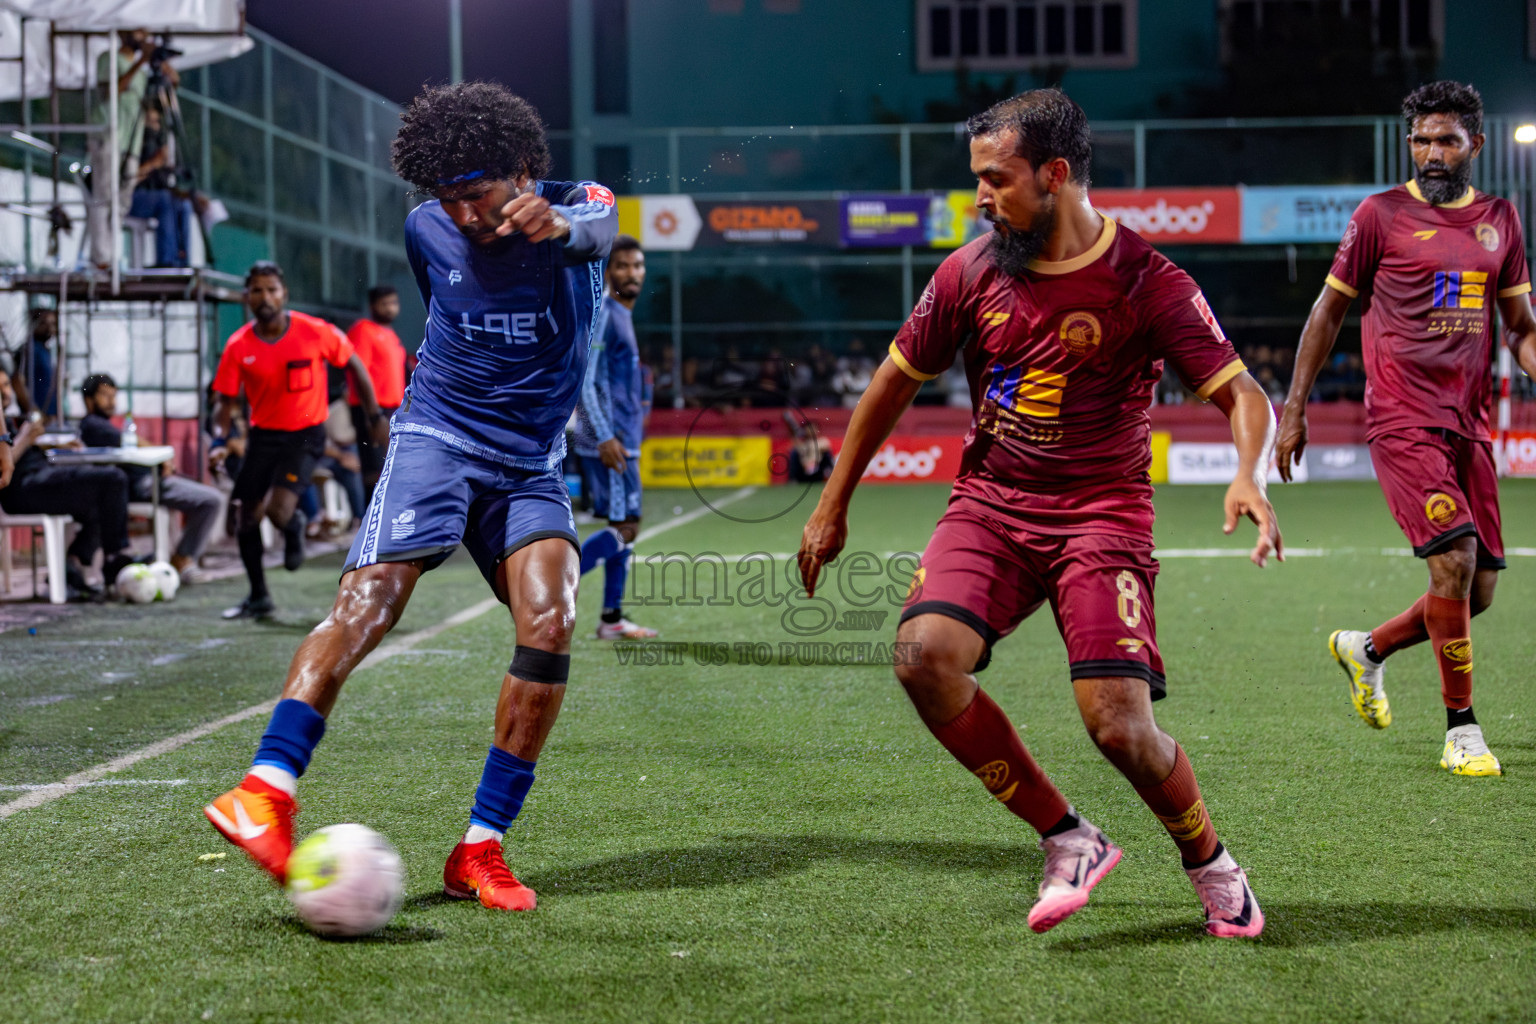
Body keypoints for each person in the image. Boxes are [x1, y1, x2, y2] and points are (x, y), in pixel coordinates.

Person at [799, 89, 1281, 939]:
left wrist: (1251, 474)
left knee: (1120, 729)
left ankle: (1212, 864)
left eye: (997, 180)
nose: (980, 199)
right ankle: (1068, 836)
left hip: (1102, 515)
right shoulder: (969, 270)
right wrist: (831, 506)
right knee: (923, 657)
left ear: (1055, 175)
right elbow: (890, 387)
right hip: (990, 506)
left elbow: (1243, 392)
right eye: (976, 181)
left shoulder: (1148, 279)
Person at [202, 82, 616, 913]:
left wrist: (560, 226)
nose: (462, 215)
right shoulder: (427, 227)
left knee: (553, 620)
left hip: (529, 462)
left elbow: (598, 227)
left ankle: (479, 849)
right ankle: (266, 788)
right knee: (373, 597)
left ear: (525, 170)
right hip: (437, 437)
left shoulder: (579, 208)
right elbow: (449, 310)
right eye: (448, 198)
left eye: (479, 194)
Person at [1276, 81, 1536, 777]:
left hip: (1470, 424)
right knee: (1451, 562)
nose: (1431, 152)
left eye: (1446, 139)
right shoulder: (1379, 215)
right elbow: (1327, 313)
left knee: (1476, 591)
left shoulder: (1501, 221)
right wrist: (1294, 407)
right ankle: (1461, 730)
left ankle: (1368, 649)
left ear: (1475, 144)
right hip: (1401, 418)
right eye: (1421, 139)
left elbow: (1521, 329)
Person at [208, 262, 383, 620]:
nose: (265, 296)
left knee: (277, 512)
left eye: (272, 289)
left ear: (284, 293)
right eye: (257, 290)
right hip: (263, 436)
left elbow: (355, 366)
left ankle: (294, 525)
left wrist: (375, 416)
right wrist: (219, 439)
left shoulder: (314, 331)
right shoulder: (238, 346)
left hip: (305, 435)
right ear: (247, 297)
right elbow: (224, 403)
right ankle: (258, 597)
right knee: (245, 516)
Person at [573, 235, 658, 639]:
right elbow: (585, 381)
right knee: (625, 526)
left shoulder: (622, 314)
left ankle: (611, 619)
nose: (632, 273)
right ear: (608, 272)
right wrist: (605, 437)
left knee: (626, 523)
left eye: (638, 265)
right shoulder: (605, 313)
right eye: (623, 265)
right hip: (609, 441)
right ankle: (556, 590)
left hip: (623, 437)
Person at [0, 368, 136, 600]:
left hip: (40, 476)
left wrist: (48, 442)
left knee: (106, 499)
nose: (5, 392)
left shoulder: (8, 421)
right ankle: (114, 556)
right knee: (112, 479)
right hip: (23, 488)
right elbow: (5, 464)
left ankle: (72, 564)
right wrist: (25, 437)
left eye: (6, 385)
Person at [78, 373, 222, 578]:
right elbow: (128, 441)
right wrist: (162, 458)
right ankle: (183, 558)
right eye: (104, 395)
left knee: (209, 497)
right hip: (139, 485)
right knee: (212, 500)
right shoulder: (92, 424)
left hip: (147, 481)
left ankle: (183, 556)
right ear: (89, 400)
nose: (111, 401)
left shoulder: (106, 425)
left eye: (113, 395)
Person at [89, 29, 177, 269]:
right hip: (107, 135)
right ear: (124, 32)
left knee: (122, 199)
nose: (143, 36)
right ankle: (100, 257)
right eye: (138, 31)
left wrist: (167, 74)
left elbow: (158, 101)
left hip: (131, 142)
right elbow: (111, 92)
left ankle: (111, 253)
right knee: (104, 195)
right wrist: (141, 62)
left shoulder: (141, 71)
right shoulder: (110, 58)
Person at [346, 285, 409, 503]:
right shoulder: (363, 329)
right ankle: (370, 525)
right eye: (384, 304)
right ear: (373, 306)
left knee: (390, 469)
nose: (390, 309)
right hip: (372, 410)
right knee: (375, 470)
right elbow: (358, 371)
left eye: (394, 303)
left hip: (394, 410)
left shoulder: (391, 335)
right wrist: (372, 416)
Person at [127, 103, 195, 268]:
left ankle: (182, 261)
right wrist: (153, 164)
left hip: (153, 197)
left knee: (183, 205)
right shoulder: (130, 145)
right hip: (127, 198)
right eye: (150, 122)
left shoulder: (159, 146)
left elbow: (163, 184)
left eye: (157, 122)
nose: (154, 128)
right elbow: (127, 180)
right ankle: (166, 262)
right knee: (165, 200)